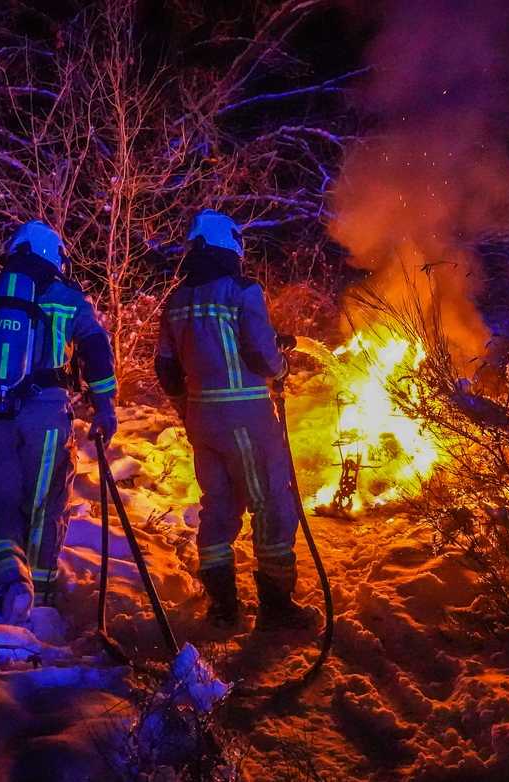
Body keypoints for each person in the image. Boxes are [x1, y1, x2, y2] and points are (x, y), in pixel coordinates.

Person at [0, 220, 118, 623]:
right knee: (45, 503)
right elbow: (97, 349)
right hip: (47, 419)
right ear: (55, 257)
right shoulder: (67, 298)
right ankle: (42, 602)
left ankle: (11, 580)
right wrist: (105, 406)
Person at [155, 210, 316, 631]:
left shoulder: (176, 301)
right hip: (245, 417)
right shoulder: (242, 290)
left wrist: (185, 408)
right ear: (232, 245)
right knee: (272, 506)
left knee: (219, 507)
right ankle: (277, 608)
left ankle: (224, 608)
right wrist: (281, 370)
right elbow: (262, 355)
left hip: (202, 421)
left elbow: (166, 368)